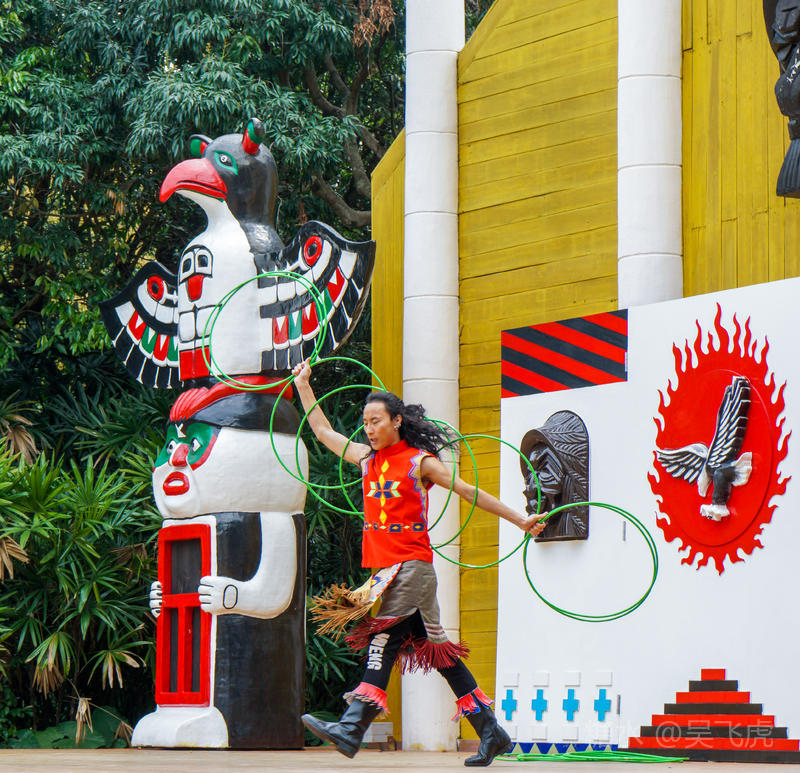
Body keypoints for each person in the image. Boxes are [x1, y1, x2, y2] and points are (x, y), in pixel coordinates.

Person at [292, 359, 546, 767]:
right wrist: (304, 383)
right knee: (442, 654)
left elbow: (467, 491)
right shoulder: (366, 460)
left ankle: (351, 728)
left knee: (382, 640)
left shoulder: (418, 462)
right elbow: (323, 432)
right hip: (387, 573)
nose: (368, 429)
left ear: (396, 421)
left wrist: (521, 520)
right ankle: (491, 731)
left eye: (376, 421)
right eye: (365, 422)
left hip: (411, 567)